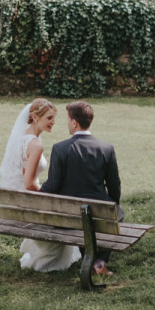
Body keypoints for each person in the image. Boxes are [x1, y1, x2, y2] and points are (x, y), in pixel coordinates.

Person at [0, 99, 79, 272]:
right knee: (63, 212)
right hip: (27, 202)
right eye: (49, 118)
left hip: (15, 199)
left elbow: (23, 173)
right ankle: (47, 261)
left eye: (54, 118)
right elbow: (28, 184)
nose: (53, 122)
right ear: (35, 117)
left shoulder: (22, 137)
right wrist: (48, 195)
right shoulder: (35, 145)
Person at [40, 100, 120, 276]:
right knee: (117, 215)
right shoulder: (106, 149)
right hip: (99, 215)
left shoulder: (60, 149)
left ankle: (92, 260)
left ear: (74, 122)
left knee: (84, 222)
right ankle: (99, 263)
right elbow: (114, 187)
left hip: (66, 217)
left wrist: (37, 198)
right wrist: (114, 205)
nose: (67, 123)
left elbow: (52, 185)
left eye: (68, 120)